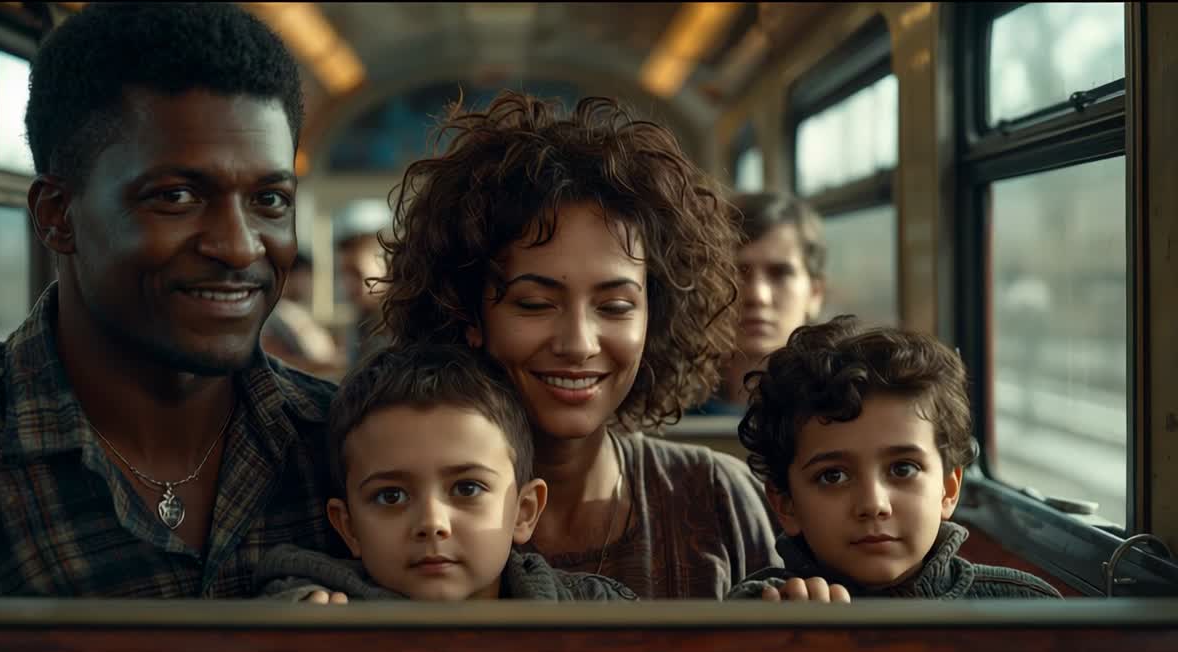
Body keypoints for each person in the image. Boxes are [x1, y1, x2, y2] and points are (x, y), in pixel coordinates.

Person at [0, 2, 346, 597]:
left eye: (269, 200)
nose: (240, 248)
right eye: (178, 196)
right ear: (58, 217)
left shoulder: (345, 445)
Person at [378, 91, 781, 599]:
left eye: (614, 306)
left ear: (655, 317)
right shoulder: (400, 516)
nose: (578, 343)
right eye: (534, 304)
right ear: (468, 313)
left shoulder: (718, 497)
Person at [254, 343, 637, 602]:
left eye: (467, 488)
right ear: (349, 527)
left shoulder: (596, 617)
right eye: (391, 496)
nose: (432, 523)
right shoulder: (315, 619)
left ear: (523, 512)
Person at [727, 317, 1062, 600]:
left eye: (903, 469)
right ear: (787, 504)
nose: (873, 504)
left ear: (947, 490)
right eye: (833, 476)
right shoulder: (763, 613)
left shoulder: (1024, 608)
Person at [694, 191, 826, 415]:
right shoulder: (670, 414)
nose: (758, 296)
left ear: (814, 294)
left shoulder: (837, 413)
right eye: (737, 272)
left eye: (780, 273)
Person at [335, 199, 393, 367]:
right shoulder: (364, 321)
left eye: (355, 273)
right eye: (344, 274)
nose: (347, 284)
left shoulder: (408, 328)